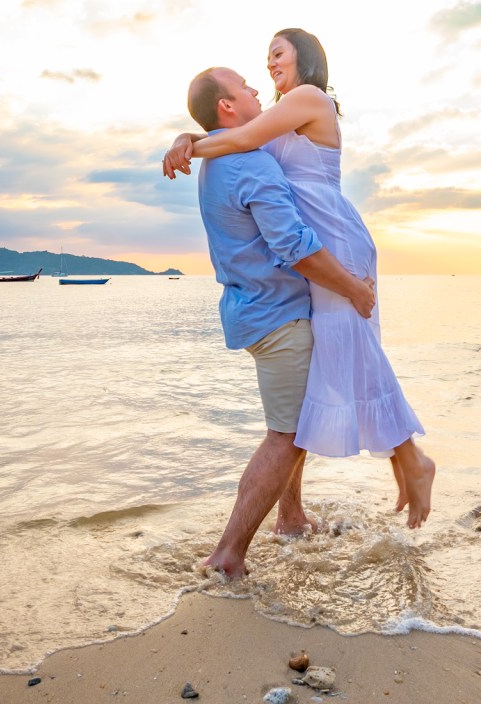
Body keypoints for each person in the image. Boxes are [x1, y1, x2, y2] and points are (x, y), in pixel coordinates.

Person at [166, 30, 435, 529]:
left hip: (332, 237)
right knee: (343, 351)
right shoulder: (275, 116)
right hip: (312, 245)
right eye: (266, 57)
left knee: (353, 345)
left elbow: (239, 138)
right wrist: (187, 137)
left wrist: (188, 145)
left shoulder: (309, 97)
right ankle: (389, 469)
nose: (269, 64)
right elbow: (236, 133)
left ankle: (412, 460)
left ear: (304, 57)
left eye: (278, 53)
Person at [183, 66, 379, 579]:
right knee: (286, 436)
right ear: (228, 106)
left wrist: (187, 139)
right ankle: (227, 555)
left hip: (253, 310)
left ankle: (291, 518)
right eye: (244, 86)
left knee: (294, 423)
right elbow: (294, 246)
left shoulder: (222, 158)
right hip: (279, 318)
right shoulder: (249, 162)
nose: (256, 88)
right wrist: (354, 289)